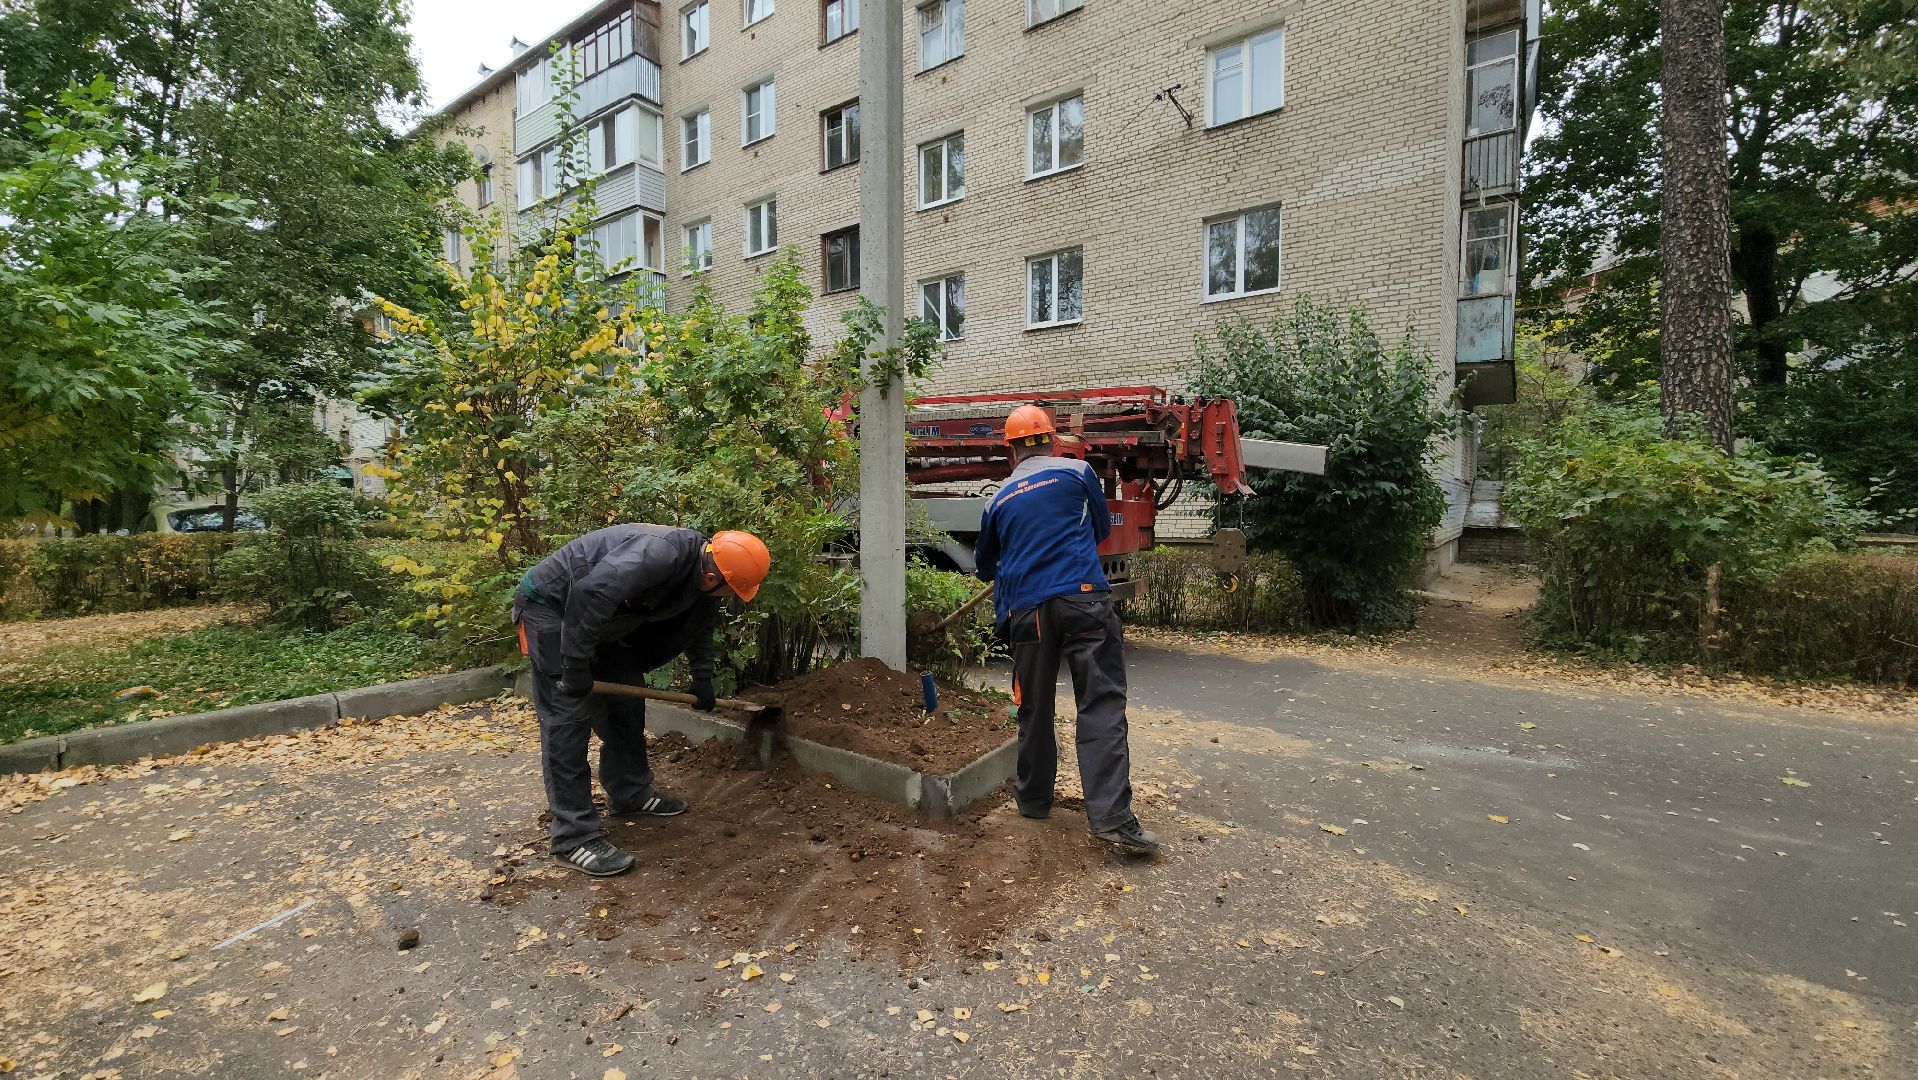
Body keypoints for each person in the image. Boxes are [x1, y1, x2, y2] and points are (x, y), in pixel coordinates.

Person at [513, 525, 771, 876]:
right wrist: (574, 668)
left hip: (597, 618)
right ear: (713, 578)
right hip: (551, 605)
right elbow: (590, 593)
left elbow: (700, 627)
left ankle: (630, 791)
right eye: (730, 591)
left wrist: (703, 681)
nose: (729, 597)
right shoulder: (658, 555)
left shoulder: (700, 575)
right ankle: (574, 838)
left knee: (626, 704)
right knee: (568, 719)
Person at [974, 406, 1159, 855]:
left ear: (1013, 450)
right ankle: (1112, 818)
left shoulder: (997, 500)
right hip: (1083, 600)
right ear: (1051, 442)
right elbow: (1097, 528)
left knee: (1034, 708)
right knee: (1099, 703)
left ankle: (1034, 801)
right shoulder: (1079, 473)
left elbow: (984, 567)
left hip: (1028, 613)